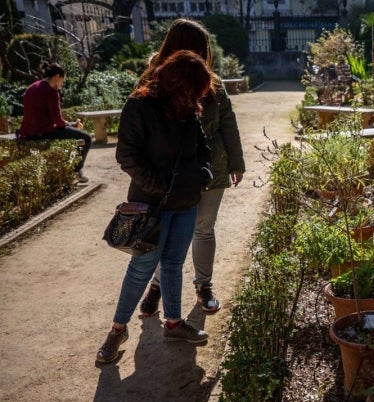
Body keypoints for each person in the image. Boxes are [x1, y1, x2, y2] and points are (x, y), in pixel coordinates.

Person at [96, 50, 215, 363]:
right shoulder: (140, 106)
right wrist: (163, 186)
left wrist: (203, 174)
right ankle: (117, 329)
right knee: (141, 269)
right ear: (179, 83)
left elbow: (203, 149)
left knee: (174, 264)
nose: (197, 95)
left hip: (186, 202)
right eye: (195, 88)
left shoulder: (188, 108)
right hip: (151, 205)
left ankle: (173, 323)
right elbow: (128, 157)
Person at [137, 18, 245, 316]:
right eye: (202, 48)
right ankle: (157, 287)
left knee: (203, 229)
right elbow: (140, 131)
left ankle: (204, 285)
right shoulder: (153, 81)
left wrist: (237, 163)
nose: (206, 54)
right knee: (167, 233)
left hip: (211, 170)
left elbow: (228, 125)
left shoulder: (212, 83)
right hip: (168, 175)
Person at [16, 62, 92, 183]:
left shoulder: (31, 87)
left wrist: (69, 124)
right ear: (57, 77)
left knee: (74, 131)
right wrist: (72, 125)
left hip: (27, 132)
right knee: (87, 138)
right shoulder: (51, 92)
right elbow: (58, 120)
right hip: (44, 131)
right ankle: (76, 172)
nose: (62, 84)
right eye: (62, 80)